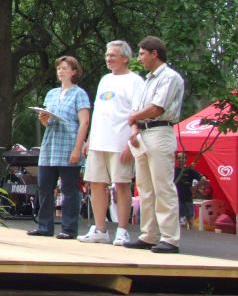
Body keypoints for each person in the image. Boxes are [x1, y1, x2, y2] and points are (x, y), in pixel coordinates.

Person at [123, 36, 186, 253]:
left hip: (160, 131)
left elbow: (157, 108)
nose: (139, 58)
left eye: (142, 54)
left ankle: (170, 238)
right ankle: (149, 234)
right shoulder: (146, 81)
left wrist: (133, 118)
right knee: (145, 188)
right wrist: (134, 127)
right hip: (143, 133)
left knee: (163, 186)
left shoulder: (170, 77)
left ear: (154, 53)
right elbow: (136, 111)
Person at [78, 41, 145, 245]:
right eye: (107, 55)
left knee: (122, 184)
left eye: (113, 55)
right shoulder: (105, 80)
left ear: (125, 58)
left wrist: (130, 144)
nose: (108, 59)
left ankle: (122, 230)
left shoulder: (135, 81)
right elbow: (98, 111)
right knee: (96, 184)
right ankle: (100, 229)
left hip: (119, 142)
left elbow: (137, 114)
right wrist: (90, 139)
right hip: (99, 141)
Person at [28, 56, 91, 239]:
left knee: (69, 188)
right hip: (50, 145)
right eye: (59, 68)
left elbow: (84, 122)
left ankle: (69, 228)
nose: (61, 71)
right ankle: (44, 226)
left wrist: (77, 149)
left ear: (74, 71)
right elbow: (50, 122)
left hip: (69, 144)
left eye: (65, 68)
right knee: (44, 186)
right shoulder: (52, 93)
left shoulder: (79, 94)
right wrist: (44, 119)